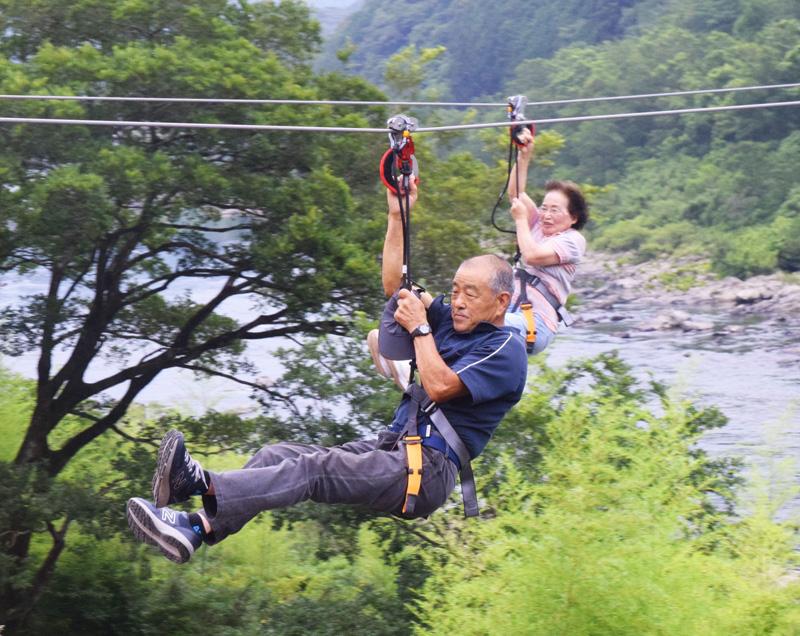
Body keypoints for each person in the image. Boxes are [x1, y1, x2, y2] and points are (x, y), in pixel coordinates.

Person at [125, 178, 528, 564]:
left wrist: (420, 327)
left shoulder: (505, 349)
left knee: (314, 470)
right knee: (277, 454)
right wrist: (395, 213)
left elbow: (440, 387)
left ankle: (198, 482)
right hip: (395, 446)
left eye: (469, 293)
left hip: (427, 471)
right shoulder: (450, 321)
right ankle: (196, 530)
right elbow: (395, 286)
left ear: (501, 302)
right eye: (455, 289)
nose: (456, 300)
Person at [504, 127, 588, 354]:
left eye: (555, 210)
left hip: (535, 323)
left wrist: (521, 220)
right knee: (457, 320)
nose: (546, 215)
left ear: (573, 217)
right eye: (544, 208)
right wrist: (524, 156)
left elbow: (532, 256)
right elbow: (515, 195)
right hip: (510, 314)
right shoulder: (538, 224)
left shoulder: (572, 241)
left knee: (479, 324)